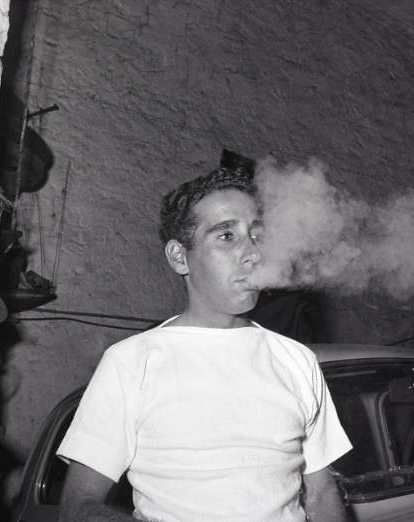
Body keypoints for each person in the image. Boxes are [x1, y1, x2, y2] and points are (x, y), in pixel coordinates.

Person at [57, 167, 352, 522]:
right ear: (179, 257)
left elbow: (321, 496)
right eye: (227, 236)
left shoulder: (297, 360)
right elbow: (78, 506)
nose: (253, 253)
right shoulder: (132, 362)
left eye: (256, 235)